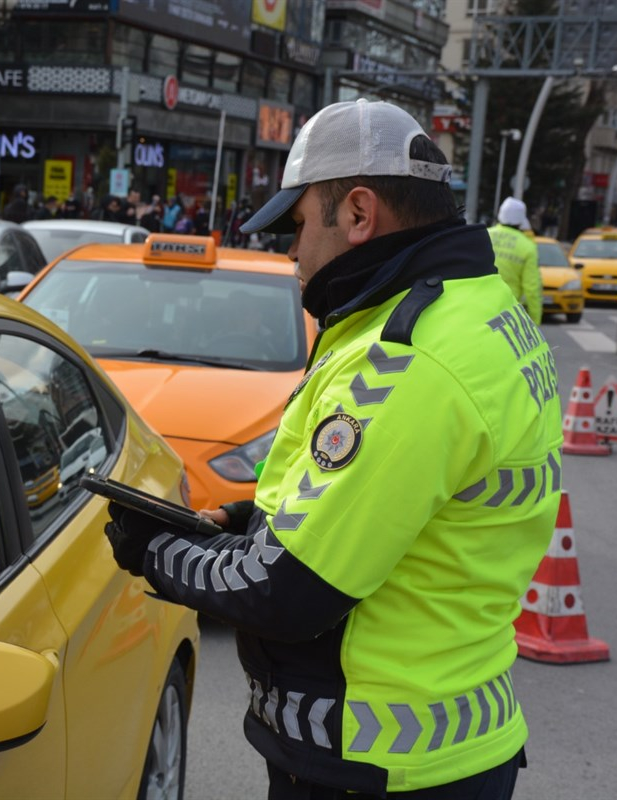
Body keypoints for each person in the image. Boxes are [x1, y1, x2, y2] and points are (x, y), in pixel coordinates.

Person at [102, 99, 562, 800]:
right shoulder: (479, 310)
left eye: (297, 225)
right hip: (451, 739)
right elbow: (402, 507)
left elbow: (288, 591)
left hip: (376, 760)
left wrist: (155, 549)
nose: (292, 252)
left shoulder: (412, 359)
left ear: (356, 214)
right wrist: (256, 519)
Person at [488, 197, 543, 325]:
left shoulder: (484, 236)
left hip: (478, 307)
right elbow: (532, 289)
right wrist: (536, 321)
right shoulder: (528, 247)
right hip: (508, 314)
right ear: (521, 222)